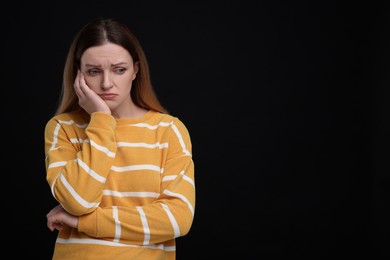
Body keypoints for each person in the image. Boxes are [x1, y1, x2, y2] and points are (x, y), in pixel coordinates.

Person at [44, 17, 195, 259]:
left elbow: (177, 220)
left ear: (135, 70)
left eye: (119, 69)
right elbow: (77, 201)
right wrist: (101, 119)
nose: (106, 83)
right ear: (78, 73)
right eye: (93, 71)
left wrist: (83, 222)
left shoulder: (169, 130)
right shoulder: (63, 128)